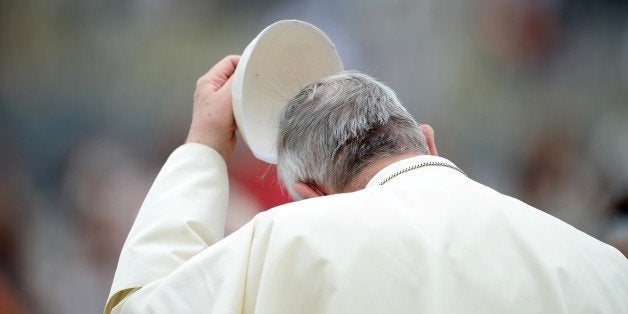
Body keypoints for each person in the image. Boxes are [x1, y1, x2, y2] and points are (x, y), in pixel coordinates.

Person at [105, 55, 628, 313]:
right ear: (427, 141)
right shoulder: (603, 266)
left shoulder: (286, 241)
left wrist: (203, 149)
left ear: (311, 193)